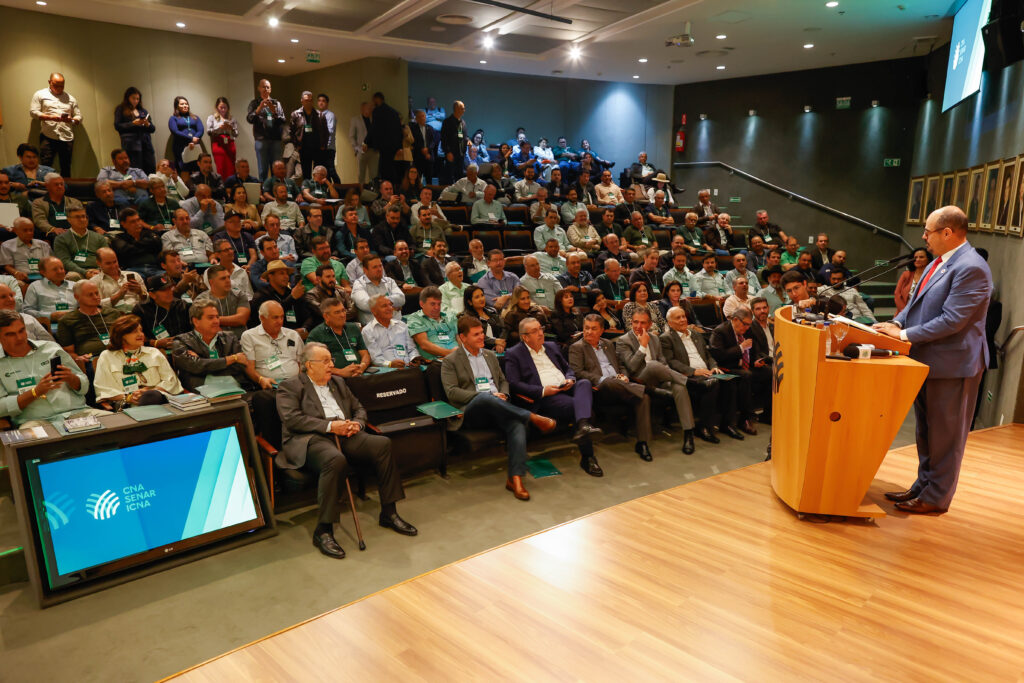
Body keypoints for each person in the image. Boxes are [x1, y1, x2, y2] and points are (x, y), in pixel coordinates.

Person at [873, 207, 991, 513]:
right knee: (926, 430)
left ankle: (936, 497)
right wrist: (896, 324)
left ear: (948, 233)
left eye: (929, 231)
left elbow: (952, 321)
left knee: (946, 436)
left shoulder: (971, 267)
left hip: (954, 365)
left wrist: (902, 335)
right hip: (927, 359)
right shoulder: (938, 263)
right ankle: (923, 485)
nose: (924, 237)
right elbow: (914, 304)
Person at [277, 340, 417, 558]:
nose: (331, 365)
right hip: (311, 438)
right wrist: (332, 426)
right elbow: (293, 419)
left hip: (346, 433)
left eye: (330, 360)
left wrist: (357, 424)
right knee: (335, 459)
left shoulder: (338, 383)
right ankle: (324, 529)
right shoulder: (290, 386)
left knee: (382, 444)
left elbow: (359, 407)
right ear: (308, 365)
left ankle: (389, 512)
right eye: (324, 361)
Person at [442, 316, 556, 500]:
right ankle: (531, 417)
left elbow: (503, 381)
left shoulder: (490, 355)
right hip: (472, 412)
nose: (481, 337)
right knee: (485, 398)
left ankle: (515, 479)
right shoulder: (450, 361)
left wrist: (504, 394)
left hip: (500, 407)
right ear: (462, 338)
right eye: (476, 334)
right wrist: (486, 396)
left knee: (516, 425)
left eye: (481, 333)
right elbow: (452, 393)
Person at [506, 316, 604, 475]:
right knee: (582, 409)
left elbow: (568, 369)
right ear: (525, 337)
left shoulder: (551, 346)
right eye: (535, 331)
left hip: (566, 387)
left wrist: (570, 379)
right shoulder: (514, 353)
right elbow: (514, 383)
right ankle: (588, 456)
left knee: (584, 383)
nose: (540, 333)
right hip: (547, 396)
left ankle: (583, 427)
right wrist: (543, 391)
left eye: (540, 329)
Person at [569, 313, 654, 460]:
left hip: (620, 385)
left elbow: (620, 365)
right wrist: (603, 379)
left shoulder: (608, 344)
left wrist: (624, 375)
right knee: (608, 381)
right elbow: (578, 373)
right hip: (600, 390)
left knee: (643, 398)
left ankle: (643, 443)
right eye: (586, 328)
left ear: (602, 330)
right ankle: (650, 389)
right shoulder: (577, 348)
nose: (589, 332)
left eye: (593, 328)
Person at [614, 307, 697, 454]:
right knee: (652, 365)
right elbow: (632, 368)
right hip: (638, 380)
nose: (639, 327)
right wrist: (643, 346)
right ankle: (687, 380)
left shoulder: (655, 338)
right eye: (635, 322)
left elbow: (663, 362)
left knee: (679, 387)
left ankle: (688, 433)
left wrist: (664, 372)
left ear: (650, 324)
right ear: (631, 322)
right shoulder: (623, 341)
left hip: (659, 379)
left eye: (643, 323)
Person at [661, 306, 744, 444]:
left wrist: (714, 367)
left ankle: (727, 424)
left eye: (683, 316)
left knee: (731, 381)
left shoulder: (695, 334)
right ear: (670, 323)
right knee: (713, 383)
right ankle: (704, 426)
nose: (682, 320)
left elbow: (708, 355)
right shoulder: (666, 338)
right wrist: (693, 371)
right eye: (678, 317)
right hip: (690, 376)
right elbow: (670, 362)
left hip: (707, 372)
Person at [0, 310, 96, 426]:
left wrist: (72, 379)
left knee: (117, 424)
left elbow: (84, 386)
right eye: (10, 334)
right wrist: (35, 392)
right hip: (35, 422)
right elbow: (1, 408)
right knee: (32, 441)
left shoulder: (51, 348)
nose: (20, 337)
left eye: (21, 330)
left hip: (78, 413)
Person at [93, 314, 183, 407]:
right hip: (126, 403)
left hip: (158, 398)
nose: (141, 334)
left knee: (150, 396)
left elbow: (171, 380)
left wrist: (151, 390)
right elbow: (103, 388)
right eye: (135, 331)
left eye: (141, 330)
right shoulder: (107, 356)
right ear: (121, 335)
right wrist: (128, 397)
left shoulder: (154, 353)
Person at [708, 307, 769, 435]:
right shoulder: (720, 331)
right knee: (745, 376)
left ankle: (768, 414)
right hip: (726, 368)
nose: (747, 327)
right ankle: (745, 419)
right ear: (735, 319)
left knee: (770, 372)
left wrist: (757, 360)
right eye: (745, 324)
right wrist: (740, 348)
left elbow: (755, 350)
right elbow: (718, 356)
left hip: (745, 366)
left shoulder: (747, 330)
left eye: (749, 324)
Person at [170, 301, 253, 393]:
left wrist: (203, 364)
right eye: (210, 318)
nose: (216, 321)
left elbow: (240, 367)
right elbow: (193, 366)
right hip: (201, 391)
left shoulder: (230, 337)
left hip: (234, 387)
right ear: (196, 321)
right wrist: (232, 359)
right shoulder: (181, 342)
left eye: (217, 317)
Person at [241, 300, 304, 393]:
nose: (280, 321)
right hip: (270, 387)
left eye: (282, 317)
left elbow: (302, 363)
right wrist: (261, 379)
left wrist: (301, 382)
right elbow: (249, 368)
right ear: (262, 318)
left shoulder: (293, 335)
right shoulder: (249, 336)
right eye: (275, 318)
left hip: (296, 384)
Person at [30, 73, 81, 177]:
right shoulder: (40, 94)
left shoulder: (70, 98)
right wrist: (50, 117)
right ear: (49, 82)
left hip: (67, 137)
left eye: (62, 86)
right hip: (48, 135)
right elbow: (33, 112)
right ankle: (46, 191)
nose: (59, 88)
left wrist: (71, 120)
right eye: (56, 85)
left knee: (66, 166)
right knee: (45, 166)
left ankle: (66, 190)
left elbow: (79, 116)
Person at [55, 280, 122, 358]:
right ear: (77, 297)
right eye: (90, 295)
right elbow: (68, 352)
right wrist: (78, 358)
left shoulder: (114, 314)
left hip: (117, 355)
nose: (96, 297)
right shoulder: (67, 320)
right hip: (91, 359)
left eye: (97, 293)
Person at [306, 298, 370, 375]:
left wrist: (362, 367)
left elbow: (364, 353)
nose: (342, 315)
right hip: (333, 378)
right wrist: (340, 372)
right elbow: (313, 364)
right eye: (337, 312)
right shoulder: (316, 335)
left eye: (343, 310)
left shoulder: (353, 328)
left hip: (359, 374)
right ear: (326, 316)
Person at [132, 274, 190, 350]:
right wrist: (156, 343)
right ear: (152, 295)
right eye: (164, 290)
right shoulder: (141, 310)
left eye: (170, 288)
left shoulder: (183, 306)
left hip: (184, 349)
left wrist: (182, 340)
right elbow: (133, 335)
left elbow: (195, 331)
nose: (169, 292)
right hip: (153, 352)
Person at [361, 295, 420, 368]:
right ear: (374, 311)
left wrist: (414, 359)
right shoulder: (368, 331)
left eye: (390, 305)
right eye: (384, 306)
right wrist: (390, 364)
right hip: (388, 371)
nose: (390, 308)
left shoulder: (402, 325)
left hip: (409, 367)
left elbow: (412, 349)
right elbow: (375, 358)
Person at [252, 260, 310, 333]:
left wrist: (304, 329)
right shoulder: (262, 296)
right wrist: (292, 298)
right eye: (282, 273)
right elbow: (271, 316)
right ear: (270, 276)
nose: (286, 277)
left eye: (287, 274)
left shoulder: (292, 292)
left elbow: (308, 316)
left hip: (297, 336)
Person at [246, 79, 287, 181]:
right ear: (259, 88)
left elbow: (283, 121)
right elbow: (250, 119)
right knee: (262, 169)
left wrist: (274, 112)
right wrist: (259, 108)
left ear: (270, 89)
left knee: (277, 170)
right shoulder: (254, 103)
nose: (266, 89)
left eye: (268, 87)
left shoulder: (276, 103)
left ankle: (276, 191)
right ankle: (264, 193)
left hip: (276, 140)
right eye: (263, 87)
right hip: (261, 140)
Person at [196, 264, 250, 339]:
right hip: (214, 341)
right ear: (211, 282)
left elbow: (241, 319)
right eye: (223, 278)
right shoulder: (201, 300)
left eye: (228, 277)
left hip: (240, 340)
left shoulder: (239, 295)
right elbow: (202, 323)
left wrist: (213, 319)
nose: (228, 281)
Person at [112, 88, 156, 176]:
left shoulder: (143, 111)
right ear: (127, 98)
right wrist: (133, 123)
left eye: (137, 99)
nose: (136, 101)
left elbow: (153, 129)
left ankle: (149, 188)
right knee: (135, 169)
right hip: (131, 145)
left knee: (150, 168)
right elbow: (118, 126)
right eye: (133, 98)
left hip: (146, 144)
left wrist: (147, 124)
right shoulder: (121, 109)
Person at [90, 247, 147, 313]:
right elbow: (97, 305)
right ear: (98, 263)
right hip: (112, 316)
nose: (113, 266)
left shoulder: (135, 275)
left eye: (115, 262)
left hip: (137, 312)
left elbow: (146, 300)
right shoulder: (93, 283)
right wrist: (119, 295)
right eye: (108, 263)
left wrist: (140, 292)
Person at [364, 92, 403, 185]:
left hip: (383, 145)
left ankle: (387, 188)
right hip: (393, 145)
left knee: (384, 169)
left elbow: (374, 127)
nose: (373, 102)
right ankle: (393, 186)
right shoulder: (393, 112)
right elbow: (398, 130)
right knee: (390, 167)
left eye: (374, 100)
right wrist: (399, 146)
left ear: (378, 99)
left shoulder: (377, 111)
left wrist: (366, 141)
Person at [24, 257, 76, 325]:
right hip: (47, 324)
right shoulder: (35, 286)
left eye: (62, 268)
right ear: (43, 272)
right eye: (55, 269)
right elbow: (27, 310)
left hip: (74, 323)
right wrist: (50, 316)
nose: (60, 272)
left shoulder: (75, 286)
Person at [290, 91, 328, 181]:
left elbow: (325, 132)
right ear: (302, 101)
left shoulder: (320, 115)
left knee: (318, 172)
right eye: (307, 100)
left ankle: (317, 191)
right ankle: (307, 191)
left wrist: (323, 145)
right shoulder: (296, 114)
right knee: (306, 173)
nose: (309, 102)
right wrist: (296, 145)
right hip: (304, 147)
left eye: (311, 100)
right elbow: (291, 132)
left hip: (317, 148)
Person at [0, 217, 50, 284]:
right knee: (20, 284)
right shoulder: (7, 246)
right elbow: (7, 266)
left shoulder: (44, 245)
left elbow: (50, 263)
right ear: (15, 230)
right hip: (23, 279)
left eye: (31, 230)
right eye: (25, 230)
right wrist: (16, 273)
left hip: (44, 276)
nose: (29, 233)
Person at [460, 285, 505, 352]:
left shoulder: (492, 311)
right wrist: (494, 341)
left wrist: (500, 343)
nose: (481, 299)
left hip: (498, 348)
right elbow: (475, 335)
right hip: (479, 350)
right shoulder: (466, 317)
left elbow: (503, 328)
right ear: (469, 302)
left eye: (482, 295)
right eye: (477, 297)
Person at [167, 96, 204, 172]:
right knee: (183, 169)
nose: (185, 106)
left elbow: (201, 130)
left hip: (195, 146)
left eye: (186, 104)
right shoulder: (173, 118)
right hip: (180, 146)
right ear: (177, 106)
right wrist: (190, 139)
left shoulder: (195, 117)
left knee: (197, 168)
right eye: (182, 104)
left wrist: (194, 140)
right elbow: (175, 131)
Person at [206, 97, 238, 179]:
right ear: (217, 107)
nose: (223, 109)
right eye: (221, 107)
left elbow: (236, 134)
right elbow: (209, 132)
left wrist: (231, 128)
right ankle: (222, 186)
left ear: (228, 108)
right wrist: (219, 128)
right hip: (218, 143)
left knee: (231, 167)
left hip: (230, 144)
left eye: (225, 107)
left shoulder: (231, 118)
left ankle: (231, 186)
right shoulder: (212, 118)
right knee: (221, 166)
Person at [894, 248, 931, 314]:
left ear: (928, 259)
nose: (917, 259)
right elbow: (897, 294)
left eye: (921, 257)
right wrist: (904, 312)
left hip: (922, 313)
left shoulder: (932, 275)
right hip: (903, 312)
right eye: (915, 257)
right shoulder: (906, 274)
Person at [348, 102, 374, 185]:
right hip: (361, 150)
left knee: (374, 175)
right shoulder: (355, 120)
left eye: (370, 108)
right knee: (361, 175)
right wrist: (357, 148)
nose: (369, 110)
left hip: (373, 150)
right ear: (362, 109)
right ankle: (361, 192)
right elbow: (351, 136)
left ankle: (373, 193)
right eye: (367, 108)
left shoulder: (374, 120)